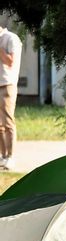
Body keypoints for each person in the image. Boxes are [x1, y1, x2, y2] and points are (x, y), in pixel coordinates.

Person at [0, 25, 21, 170]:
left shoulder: (11, 38)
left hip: (7, 84)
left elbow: (10, 61)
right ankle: (3, 156)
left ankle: (11, 157)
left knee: (8, 122)